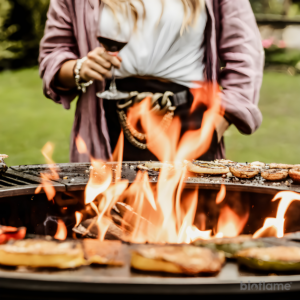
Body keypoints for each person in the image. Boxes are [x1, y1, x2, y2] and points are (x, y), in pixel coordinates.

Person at [39, 0, 264, 162]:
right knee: (106, 223)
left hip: (192, 123)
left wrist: (218, 121)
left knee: (190, 225)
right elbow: (53, 55)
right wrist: (80, 68)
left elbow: (245, 53)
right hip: (107, 126)